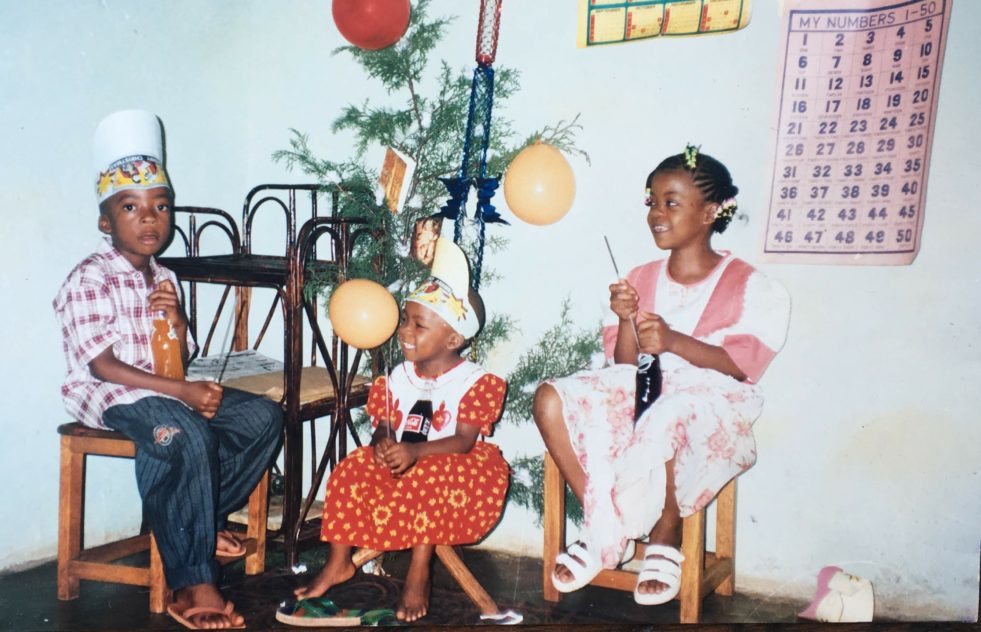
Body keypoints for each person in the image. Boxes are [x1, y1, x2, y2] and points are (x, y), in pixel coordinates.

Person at [53, 110, 283, 629]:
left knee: (262, 419)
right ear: (106, 221)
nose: (150, 218)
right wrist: (182, 390)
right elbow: (105, 366)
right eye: (130, 207)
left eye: (160, 206)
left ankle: (194, 529)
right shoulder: (89, 278)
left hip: (163, 385)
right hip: (110, 394)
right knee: (184, 433)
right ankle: (191, 581)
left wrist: (177, 322)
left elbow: (174, 356)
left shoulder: (165, 277)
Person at [533, 144, 790, 606]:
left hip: (711, 397)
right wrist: (628, 320)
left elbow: (741, 365)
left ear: (711, 211)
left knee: (671, 410)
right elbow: (626, 366)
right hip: (644, 386)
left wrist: (672, 341)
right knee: (552, 398)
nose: (656, 212)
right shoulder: (640, 276)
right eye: (651, 201)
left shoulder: (747, 284)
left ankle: (664, 532)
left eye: (671, 202)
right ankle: (604, 522)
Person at [286, 237, 510, 624]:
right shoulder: (399, 377)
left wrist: (414, 454)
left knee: (427, 474)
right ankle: (338, 561)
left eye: (418, 324)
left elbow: (463, 441)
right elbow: (386, 424)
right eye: (405, 319)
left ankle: (418, 571)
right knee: (350, 468)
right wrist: (382, 444)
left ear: (453, 339)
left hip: (458, 471)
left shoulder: (476, 382)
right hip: (403, 460)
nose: (404, 330)